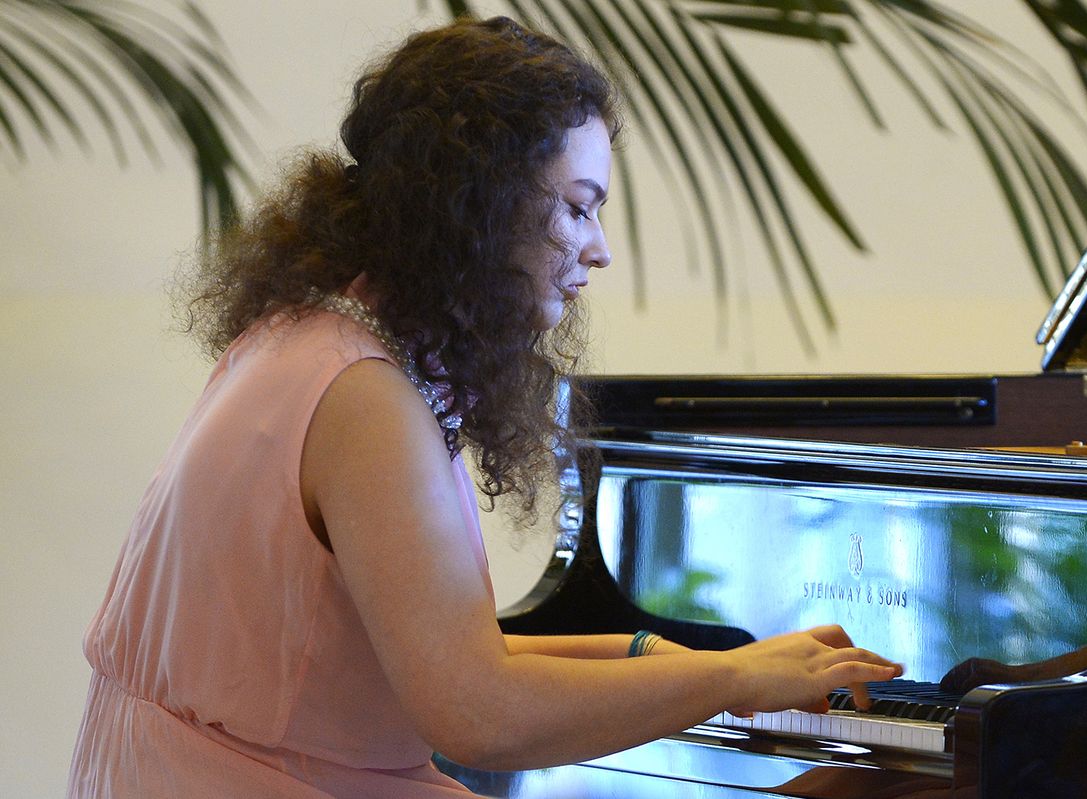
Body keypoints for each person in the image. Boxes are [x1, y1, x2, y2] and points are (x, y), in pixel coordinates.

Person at [66, 16, 902, 798]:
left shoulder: (312, 338)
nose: (600, 249)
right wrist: (730, 677)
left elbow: (448, 653)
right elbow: (477, 711)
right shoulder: (362, 397)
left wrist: (659, 652)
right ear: (479, 204)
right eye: (578, 206)